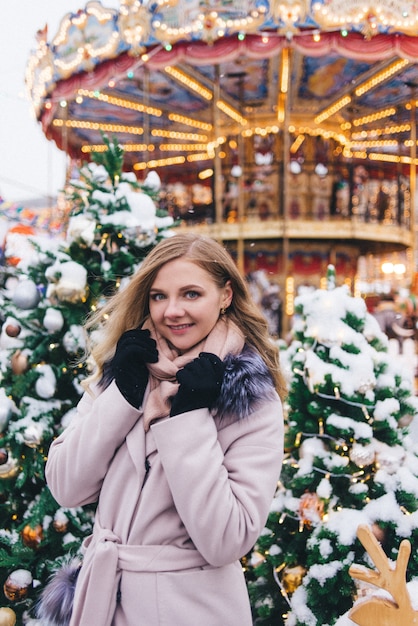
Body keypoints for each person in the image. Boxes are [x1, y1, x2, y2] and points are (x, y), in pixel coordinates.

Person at [39, 232, 285, 626]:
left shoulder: (250, 398)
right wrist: (123, 393)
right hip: (105, 602)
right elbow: (67, 487)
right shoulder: (127, 370)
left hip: (190, 610)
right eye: (158, 296)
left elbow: (227, 539)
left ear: (225, 296)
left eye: (191, 294)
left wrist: (189, 417)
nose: (172, 311)